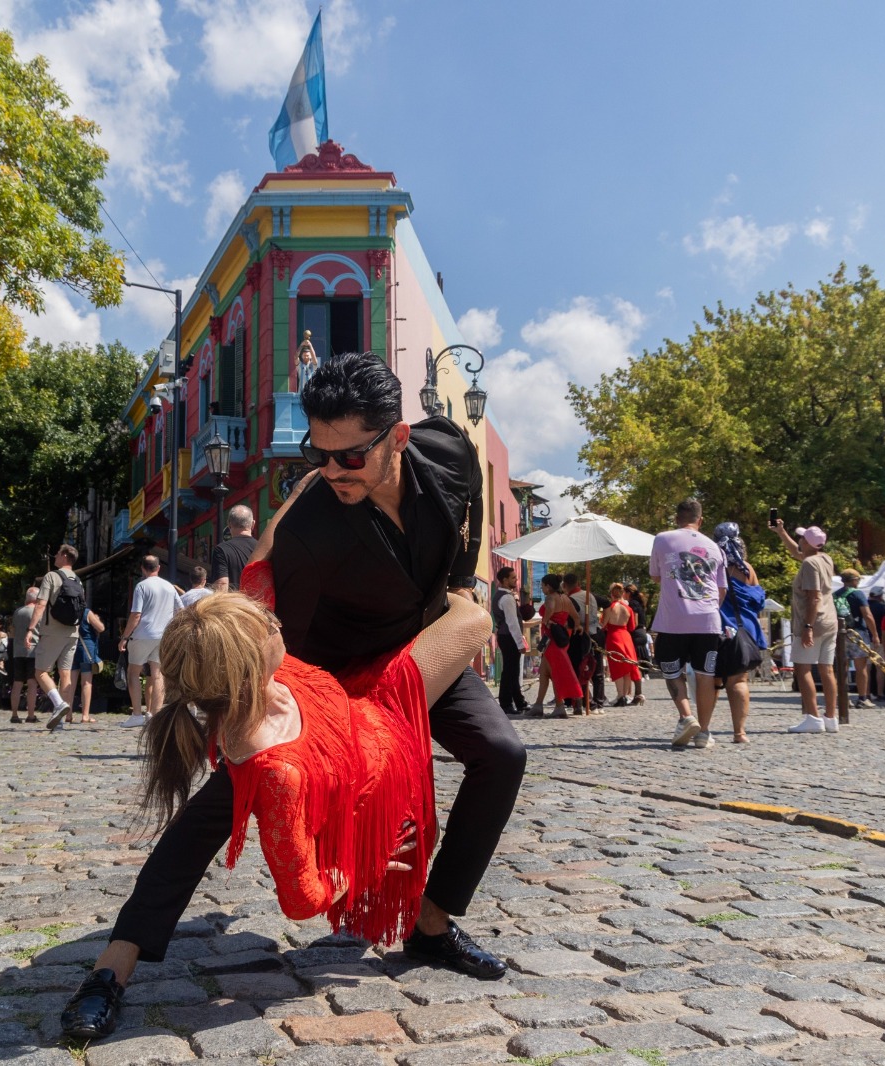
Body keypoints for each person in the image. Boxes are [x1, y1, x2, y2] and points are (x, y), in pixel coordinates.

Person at [62, 353, 521, 1041]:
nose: (332, 471)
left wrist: (459, 589)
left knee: (502, 753)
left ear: (397, 437)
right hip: (332, 674)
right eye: (318, 454)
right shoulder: (310, 531)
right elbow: (281, 647)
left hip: (425, 646)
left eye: (350, 456)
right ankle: (113, 966)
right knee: (226, 797)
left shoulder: (449, 450)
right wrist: (265, 739)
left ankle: (431, 924)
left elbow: (468, 519)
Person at [143, 585, 490, 944]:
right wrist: (361, 865)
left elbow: (259, 574)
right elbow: (301, 900)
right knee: (474, 617)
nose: (276, 622)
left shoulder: (265, 678)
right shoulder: (278, 769)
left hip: (371, 702)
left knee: (466, 611)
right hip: (388, 748)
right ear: (248, 664)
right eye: (268, 625)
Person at [650, 498, 727, 749]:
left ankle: (686, 717)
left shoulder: (662, 539)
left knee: (672, 672)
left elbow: (656, 576)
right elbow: (721, 590)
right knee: (705, 675)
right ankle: (703, 732)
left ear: (676, 519)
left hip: (674, 619)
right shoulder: (715, 547)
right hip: (708, 620)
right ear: (700, 520)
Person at [772, 523, 839, 735]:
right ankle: (831, 718)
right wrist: (782, 533)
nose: (799, 540)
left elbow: (814, 597)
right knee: (827, 670)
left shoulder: (809, 564)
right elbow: (797, 552)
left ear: (807, 543)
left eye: (802, 538)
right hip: (830, 620)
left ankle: (813, 717)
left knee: (803, 669)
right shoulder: (825, 558)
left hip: (814, 622)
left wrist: (807, 626)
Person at [117, 555, 184, 727]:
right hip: (163, 635)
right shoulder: (169, 586)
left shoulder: (142, 586)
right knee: (158, 674)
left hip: (143, 634)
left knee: (133, 672)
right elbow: (180, 610)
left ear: (142, 568)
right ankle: (155, 714)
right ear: (158, 568)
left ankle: (137, 714)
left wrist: (125, 637)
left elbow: (136, 614)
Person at [713, 524, 764, 744]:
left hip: (720, 627)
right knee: (739, 680)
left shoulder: (714, 566)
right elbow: (759, 601)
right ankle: (739, 733)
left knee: (712, 679)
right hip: (746, 628)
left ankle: (704, 728)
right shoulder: (748, 569)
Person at [25, 545, 82, 730]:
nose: (55, 556)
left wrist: (31, 629)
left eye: (57, 554)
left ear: (64, 556)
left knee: (40, 672)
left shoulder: (51, 576)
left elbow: (40, 604)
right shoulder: (78, 579)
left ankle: (59, 704)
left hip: (52, 631)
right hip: (73, 632)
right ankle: (61, 722)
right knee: (65, 673)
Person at [528, 573, 581, 718]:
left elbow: (550, 610)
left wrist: (546, 621)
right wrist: (575, 627)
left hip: (551, 640)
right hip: (560, 640)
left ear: (548, 586)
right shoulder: (566, 599)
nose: (541, 588)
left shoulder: (550, 598)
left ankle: (559, 706)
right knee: (544, 673)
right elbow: (576, 617)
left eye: (542, 585)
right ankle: (539, 705)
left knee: (555, 673)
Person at [836, 570, 879, 709]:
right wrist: (875, 634)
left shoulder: (835, 595)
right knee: (861, 667)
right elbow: (867, 615)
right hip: (857, 633)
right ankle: (862, 698)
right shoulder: (857, 594)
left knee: (842, 667)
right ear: (854, 580)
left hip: (841, 633)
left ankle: (844, 698)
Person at [491, 566, 526, 715]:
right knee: (510, 672)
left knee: (512, 671)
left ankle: (519, 702)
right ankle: (506, 703)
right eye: (513, 578)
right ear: (505, 580)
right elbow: (512, 623)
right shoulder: (506, 598)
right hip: (509, 637)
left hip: (505, 636)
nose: (516, 580)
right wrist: (520, 643)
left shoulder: (502, 596)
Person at [561, 572, 597, 715]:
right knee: (591, 671)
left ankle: (581, 701)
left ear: (565, 585)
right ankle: (592, 701)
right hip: (593, 632)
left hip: (579, 635)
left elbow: (573, 617)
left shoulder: (572, 599)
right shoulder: (589, 595)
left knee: (578, 669)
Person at [602, 583, 641, 708]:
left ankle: (620, 695)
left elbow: (603, 624)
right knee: (627, 666)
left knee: (616, 665)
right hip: (626, 636)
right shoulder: (628, 608)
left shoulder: (610, 607)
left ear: (611, 594)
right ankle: (625, 694)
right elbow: (632, 627)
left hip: (614, 636)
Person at [9, 588, 41, 724]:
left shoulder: (18, 611)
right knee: (32, 683)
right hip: (33, 650)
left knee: (17, 683)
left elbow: (13, 631)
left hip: (18, 651)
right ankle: (31, 715)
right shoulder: (38, 612)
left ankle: (14, 715)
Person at [209, 504, 258, 592]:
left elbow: (221, 584)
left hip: (236, 600)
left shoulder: (221, 550)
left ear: (229, 524)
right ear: (253, 524)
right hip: (261, 600)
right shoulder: (262, 548)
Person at [72, 606, 106, 723]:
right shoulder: (86, 612)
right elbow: (101, 628)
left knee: (70, 683)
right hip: (87, 649)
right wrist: (96, 619)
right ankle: (85, 715)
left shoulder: (70, 611)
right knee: (86, 683)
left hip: (72, 647)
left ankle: (68, 714)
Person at [625, 583, 650, 704]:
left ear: (628, 593)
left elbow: (634, 619)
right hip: (641, 633)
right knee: (636, 664)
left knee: (634, 664)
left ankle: (638, 693)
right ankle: (637, 693)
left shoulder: (633, 603)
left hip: (636, 634)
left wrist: (629, 630)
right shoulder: (639, 603)